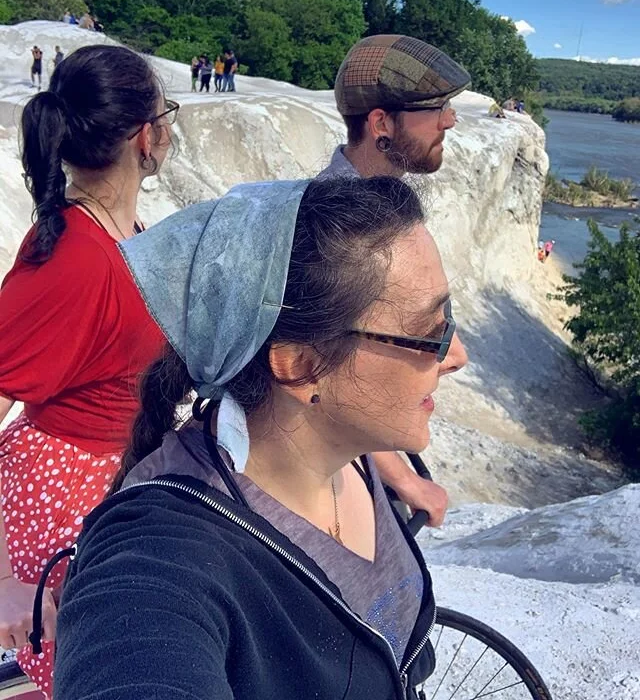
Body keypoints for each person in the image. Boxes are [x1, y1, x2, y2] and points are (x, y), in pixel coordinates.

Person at [53, 176, 468, 699]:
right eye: (430, 333)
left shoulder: (350, 451)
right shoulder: (162, 554)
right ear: (299, 367)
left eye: (447, 318)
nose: (456, 356)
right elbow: (139, 653)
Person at [0, 44, 178, 699]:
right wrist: (2, 580)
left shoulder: (122, 230)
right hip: (66, 505)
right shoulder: (76, 262)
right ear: (143, 136)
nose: (169, 130)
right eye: (167, 114)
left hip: (117, 489)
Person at [316, 33, 470, 525]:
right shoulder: (340, 230)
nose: (450, 120)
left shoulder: (375, 203)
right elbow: (328, 374)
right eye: (435, 107)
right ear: (381, 122)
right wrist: (402, 478)